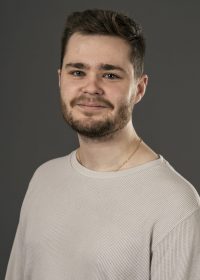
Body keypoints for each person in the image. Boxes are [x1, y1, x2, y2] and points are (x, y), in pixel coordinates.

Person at [5, 9, 200, 280]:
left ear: (139, 89)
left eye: (110, 75)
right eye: (77, 72)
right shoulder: (44, 178)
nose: (91, 87)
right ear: (60, 78)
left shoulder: (175, 204)